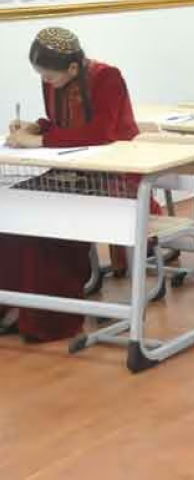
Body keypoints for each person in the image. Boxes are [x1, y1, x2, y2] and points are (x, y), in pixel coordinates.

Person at [2, 28, 141, 342]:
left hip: (113, 177)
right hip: (72, 173)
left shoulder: (107, 78)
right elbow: (61, 125)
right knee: (14, 210)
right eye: (41, 75)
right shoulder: (54, 80)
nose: (45, 81)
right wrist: (36, 127)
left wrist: (39, 141)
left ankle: (47, 320)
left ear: (74, 68)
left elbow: (101, 133)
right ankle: (14, 307)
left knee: (44, 222)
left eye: (49, 76)